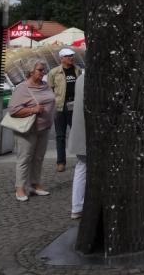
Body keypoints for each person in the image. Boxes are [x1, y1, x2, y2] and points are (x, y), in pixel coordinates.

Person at [8, 57, 57, 202]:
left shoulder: (45, 85)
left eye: (44, 70)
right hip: (28, 129)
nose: (43, 73)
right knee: (25, 158)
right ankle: (20, 188)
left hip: (44, 127)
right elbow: (13, 110)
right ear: (30, 71)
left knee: (38, 158)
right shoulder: (23, 88)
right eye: (40, 70)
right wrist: (33, 109)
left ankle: (35, 184)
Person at [47, 47, 81, 173]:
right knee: (60, 136)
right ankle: (61, 162)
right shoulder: (54, 72)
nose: (71, 58)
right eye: (68, 56)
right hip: (60, 107)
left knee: (77, 134)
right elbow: (49, 89)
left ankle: (80, 160)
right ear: (61, 59)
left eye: (72, 55)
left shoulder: (77, 70)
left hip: (74, 105)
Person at [67, 70, 86, 219]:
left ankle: (77, 206)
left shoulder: (81, 78)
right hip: (88, 134)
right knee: (83, 167)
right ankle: (78, 205)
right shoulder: (93, 78)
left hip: (81, 132)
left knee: (82, 167)